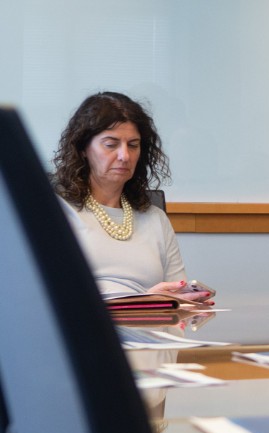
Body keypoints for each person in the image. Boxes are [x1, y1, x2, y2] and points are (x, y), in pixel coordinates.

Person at [53, 91, 213, 304]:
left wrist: (188, 304)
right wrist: (143, 303)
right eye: (111, 144)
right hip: (89, 334)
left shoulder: (155, 218)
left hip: (155, 334)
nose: (124, 156)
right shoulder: (56, 212)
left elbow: (178, 302)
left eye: (133, 145)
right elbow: (50, 301)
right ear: (83, 148)